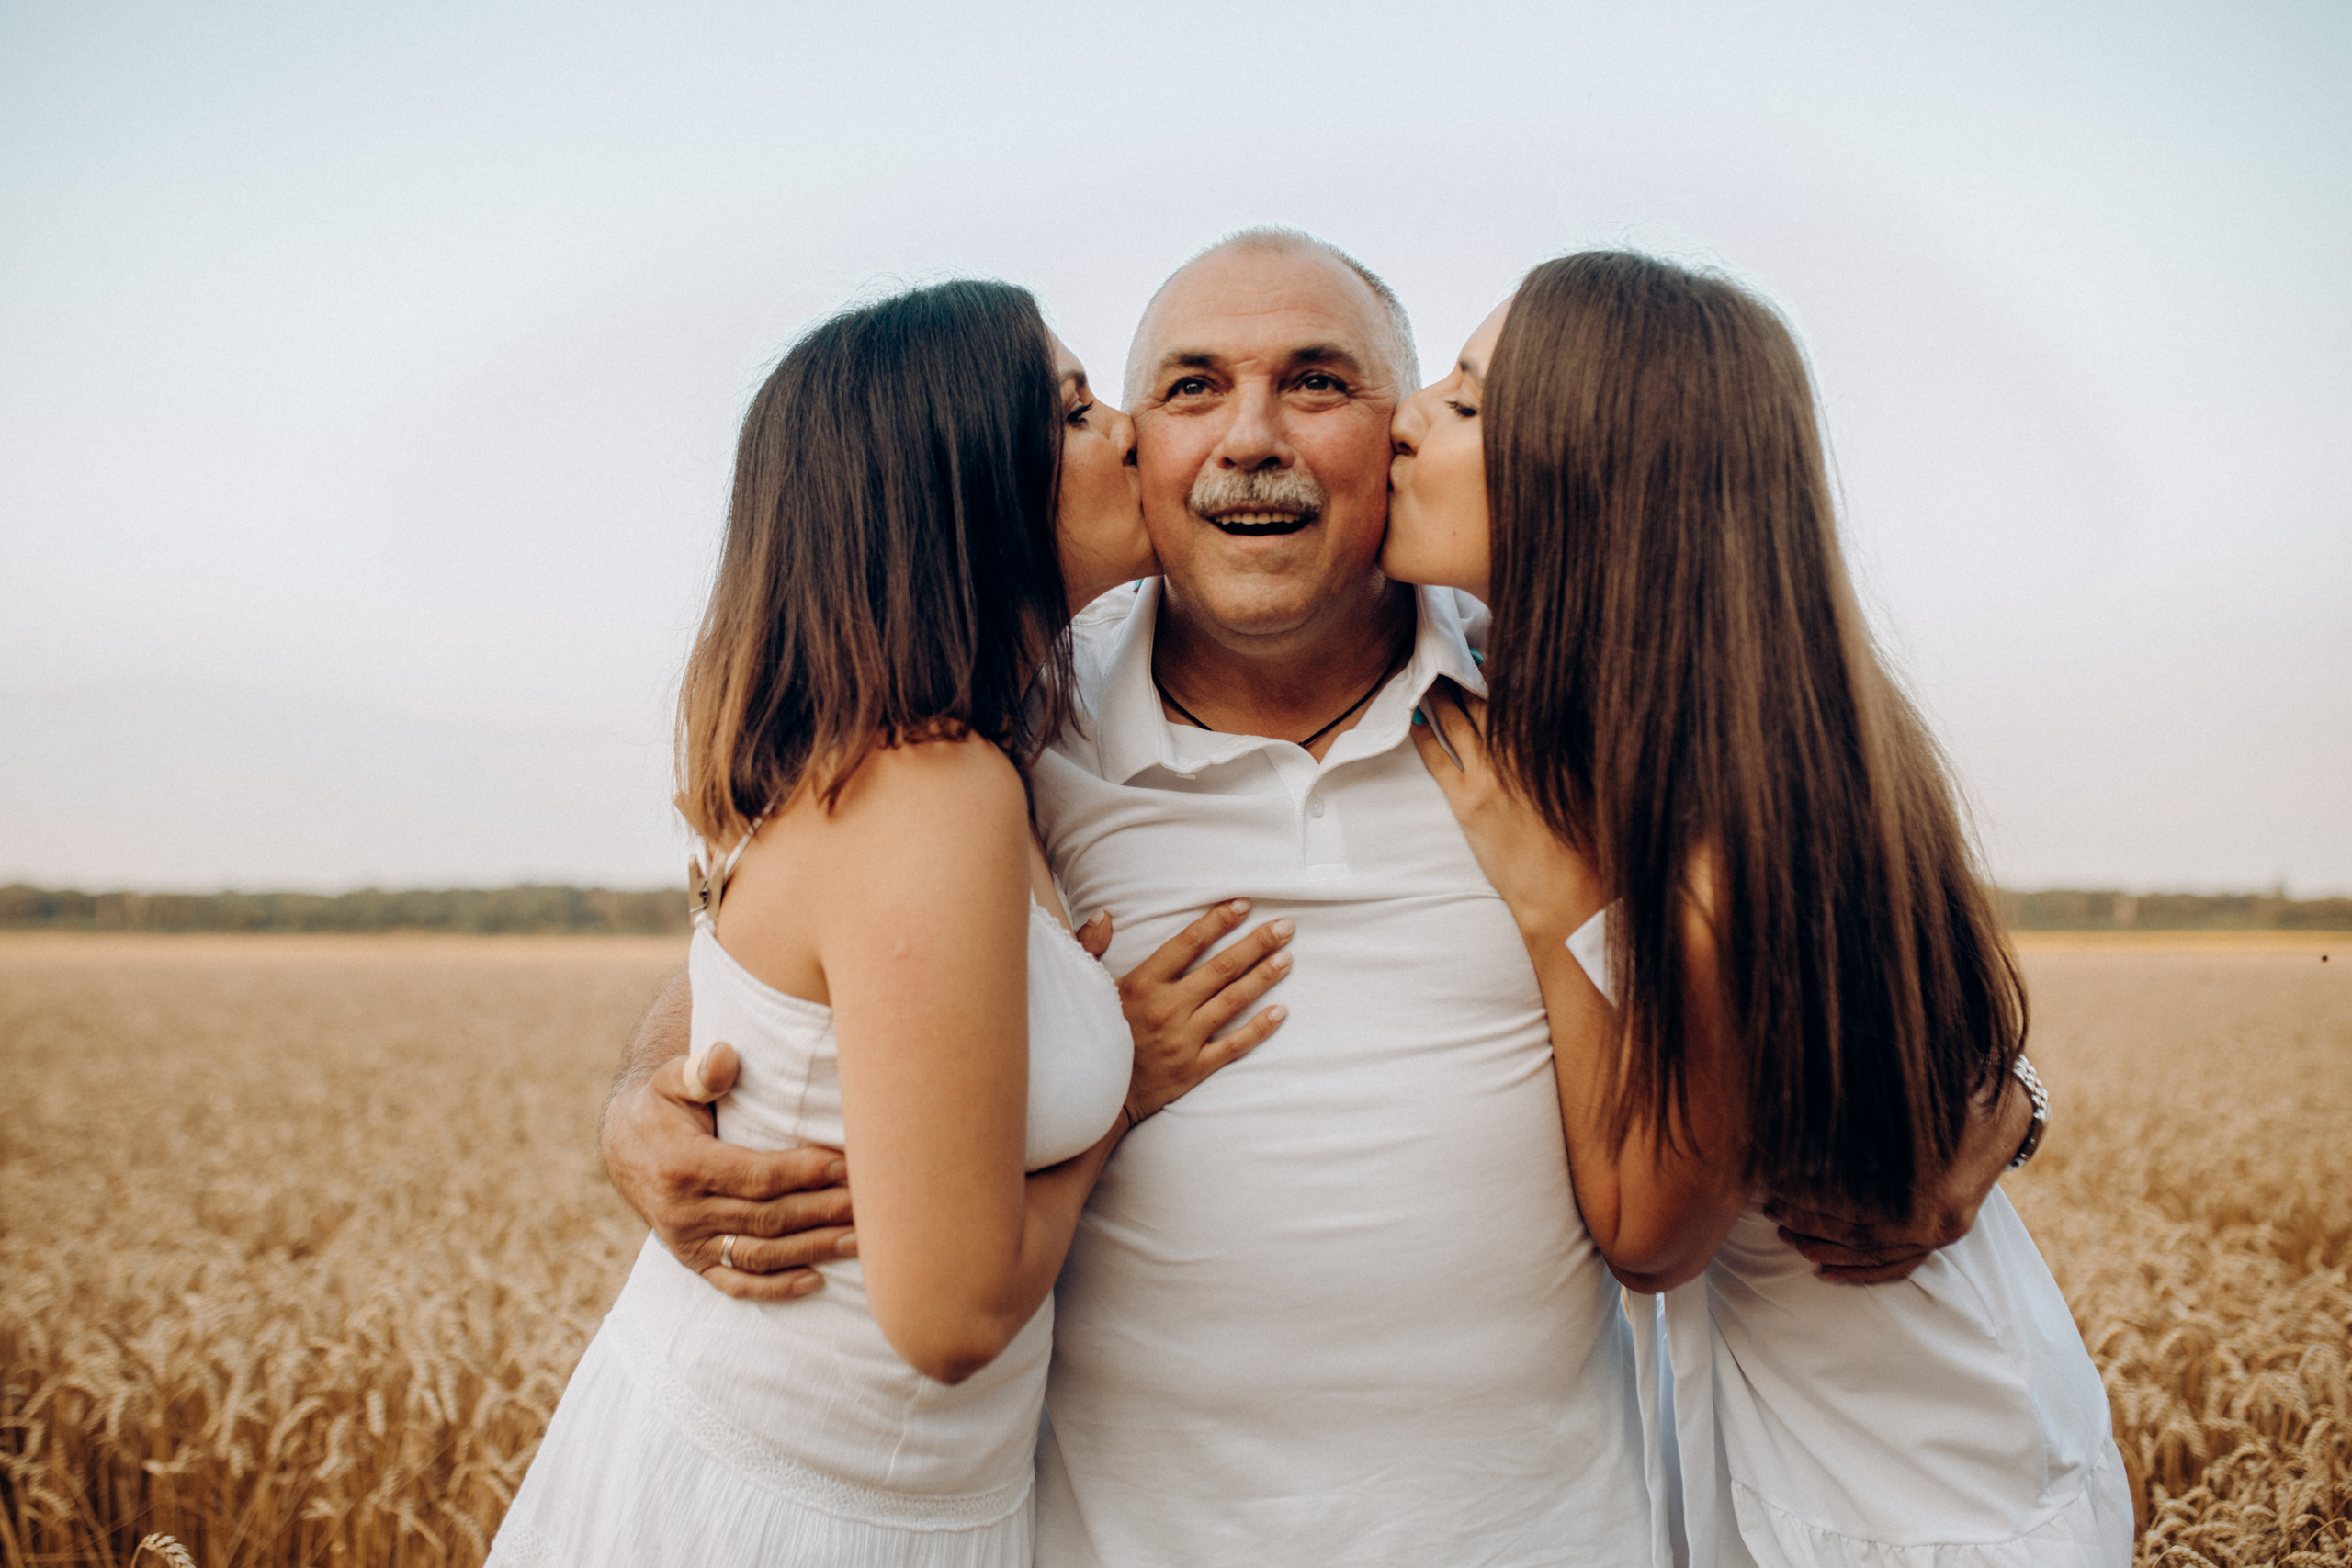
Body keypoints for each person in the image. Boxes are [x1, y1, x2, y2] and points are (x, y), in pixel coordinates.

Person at [599, 231, 2034, 1565]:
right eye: (1188, 388)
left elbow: (1822, 858)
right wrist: (645, 1085)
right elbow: (807, 895)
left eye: (1320, 384)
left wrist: (1998, 1089)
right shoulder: (1022, 721)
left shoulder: (1574, 707)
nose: (1251, 438)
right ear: (1143, 451)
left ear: (1402, 436)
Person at [488, 279, 1293, 1568]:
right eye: (1079, 411)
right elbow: (952, 1315)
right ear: (969, 486)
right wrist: (1124, 1079)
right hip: (794, 1515)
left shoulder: (937, 751)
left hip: (874, 1487)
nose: (1135, 430)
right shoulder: (930, 789)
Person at [1385, 250, 2134, 1565]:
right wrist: (2011, 1105)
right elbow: (1953, 1056)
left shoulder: (1714, 860)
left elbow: (1647, 1238)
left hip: (1895, 1490)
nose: (1404, 415)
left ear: (1591, 482)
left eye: (1464, 400)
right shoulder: (1764, 720)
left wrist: (1559, 906)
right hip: (1878, 1426)